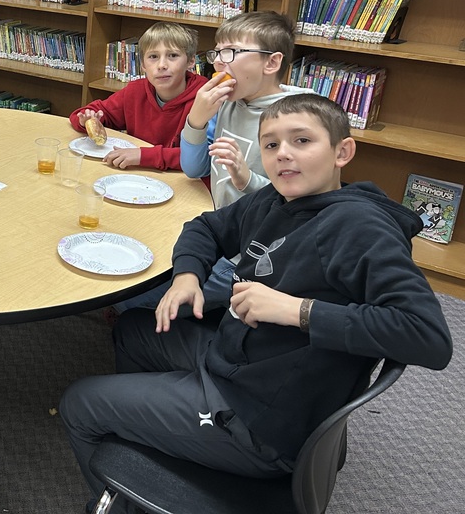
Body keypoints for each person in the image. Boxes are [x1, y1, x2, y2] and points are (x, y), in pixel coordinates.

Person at [59, 93, 453, 508]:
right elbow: (206, 227)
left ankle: (128, 498)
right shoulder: (280, 199)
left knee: (80, 404)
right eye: (270, 144)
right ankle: (158, 445)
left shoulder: (359, 227)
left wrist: (296, 310)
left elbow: (428, 337)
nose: (283, 154)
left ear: (343, 152)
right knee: (137, 328)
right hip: (239, 359)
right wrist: (187, 276)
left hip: (259, 416)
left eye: (301, 141)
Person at [172, 11, 314, 311]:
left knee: (142, 295)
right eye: (217, 52)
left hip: (256, 255)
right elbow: (193, 168)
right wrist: (196, 120)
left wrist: (246, 179)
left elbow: (302, 205)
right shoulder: (229, 105)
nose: (219, 62)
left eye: (231, 52)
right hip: (220, 230)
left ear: (271, 63)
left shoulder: (301, 118)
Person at [68, 22, 207, 171]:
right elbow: (87, 113)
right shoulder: (136, 91)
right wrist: (87, 120)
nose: (162, 65)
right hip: (140, 173)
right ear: (143, 65)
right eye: (153, 56)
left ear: (191, 61)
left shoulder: (205, 99)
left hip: (184, 181)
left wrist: (143, 155)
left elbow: (202, 159)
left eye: (173, 55)